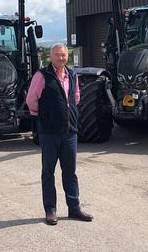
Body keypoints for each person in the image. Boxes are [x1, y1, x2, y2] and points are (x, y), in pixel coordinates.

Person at [26, 43, 93, 225]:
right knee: (48, 172)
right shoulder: (41, 76)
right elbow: (31, 100)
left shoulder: (72, 75)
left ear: (67, 57)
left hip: (70, 133)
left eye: (63, 55)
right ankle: (51, 210)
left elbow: (76, 97)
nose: (61, 58)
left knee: (70, 172)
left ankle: (74, 208)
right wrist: (46, 117)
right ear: (51, 57)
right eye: (57, 55)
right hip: (49, 134)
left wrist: (68, 115)